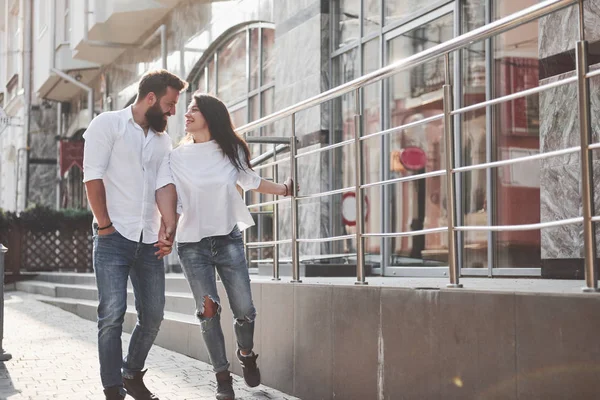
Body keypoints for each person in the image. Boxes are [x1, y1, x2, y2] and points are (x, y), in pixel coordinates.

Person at [156, 92, 294, 400]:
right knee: (208, 312)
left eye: (194, 109)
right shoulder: (176, 157)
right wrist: (166, 231)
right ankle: (222, 378)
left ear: (210, 115)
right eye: (187, 109)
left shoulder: (231, 150)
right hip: (193, 246)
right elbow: (172, 200)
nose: (187, 114)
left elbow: (252, 181)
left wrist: (284, 189)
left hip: (227, 238)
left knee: (244, 309)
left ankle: (246, 353)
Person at [83, 69, 188, 400]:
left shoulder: (162, 140)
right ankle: (112, 388)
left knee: (154, 315)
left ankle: (131, 373)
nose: (174, 112)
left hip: (147, 241)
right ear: (151, 98)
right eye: (170, 104)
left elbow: (163, 185)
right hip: (113, 237)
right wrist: (104, 224)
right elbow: (93, 176)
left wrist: (168, 225)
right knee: (111, 316)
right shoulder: (108, 124)